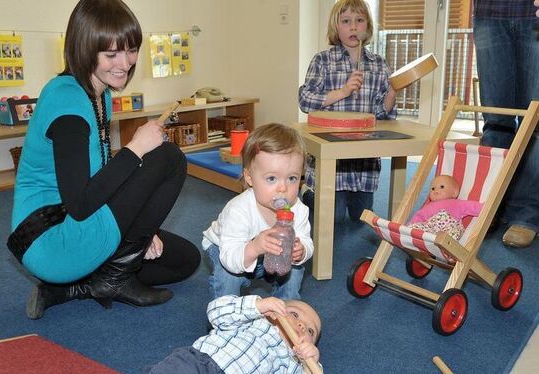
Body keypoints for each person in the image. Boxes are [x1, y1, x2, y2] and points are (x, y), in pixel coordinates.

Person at [8, 0, 200, 320]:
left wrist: (143, 225)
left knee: (184, 261)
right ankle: (114, 278)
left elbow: (100, 174)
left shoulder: (100, 92)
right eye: (111, 55)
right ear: (84, 49)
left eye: (131, 50)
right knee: (168, 157)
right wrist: (136, 148)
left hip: (78, 223)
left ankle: (76, 287)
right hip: (52, 239)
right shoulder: (67, 102)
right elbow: (81, 203)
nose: (124, 63)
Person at [298, 0, 397, 223]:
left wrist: (392, 92)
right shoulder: (322, 61)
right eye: (346, 21)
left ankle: (344, 200)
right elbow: (305, 100)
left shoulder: (380, 64)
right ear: (336, 27)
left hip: (363, 162)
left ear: (367, 27)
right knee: (329, 217)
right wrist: (342, 91)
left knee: (358, 217)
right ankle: (308, 192)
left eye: (359, 20)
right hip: (332, 158)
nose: (353, 27)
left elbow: (383, 115)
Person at [202, 124, 314, 300]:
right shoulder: (238, 210)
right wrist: (254, 247)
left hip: (269, 254)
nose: (283, 188)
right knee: (229, 276)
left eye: (292, 178)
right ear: (249, 177)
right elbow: (230, 257)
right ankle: (226, 316)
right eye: (271, 178)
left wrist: (302, 251)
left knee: (295, 270)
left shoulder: (298, 210)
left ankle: (284, 312)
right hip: (227, 249)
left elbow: (306, 240)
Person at [473, 0, 539, 248]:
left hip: (533, 12)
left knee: (534, 121)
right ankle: (489, 205)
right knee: (495, 118)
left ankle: (526, 212)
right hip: (488, 11)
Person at [144, 294, 322, 374]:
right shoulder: (254, 319)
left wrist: (310, 364)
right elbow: (215, 312)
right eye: (295, 314)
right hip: (202, 362)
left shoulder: (291, 362)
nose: (301, 324)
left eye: (310, 330)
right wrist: (257, 306)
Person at [408, 175, 483, 241]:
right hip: (431, 230)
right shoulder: (428, 206)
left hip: (449, 228)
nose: (436, 190)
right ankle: (423, 243)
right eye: (433, 188)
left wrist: (483, 207)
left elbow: (471, 206)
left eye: (442, 187)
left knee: (454, 232)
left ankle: (445, 248)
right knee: (415, 227)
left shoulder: (456, 203)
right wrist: (413, 226)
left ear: (454, 192)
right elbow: (419, 216)